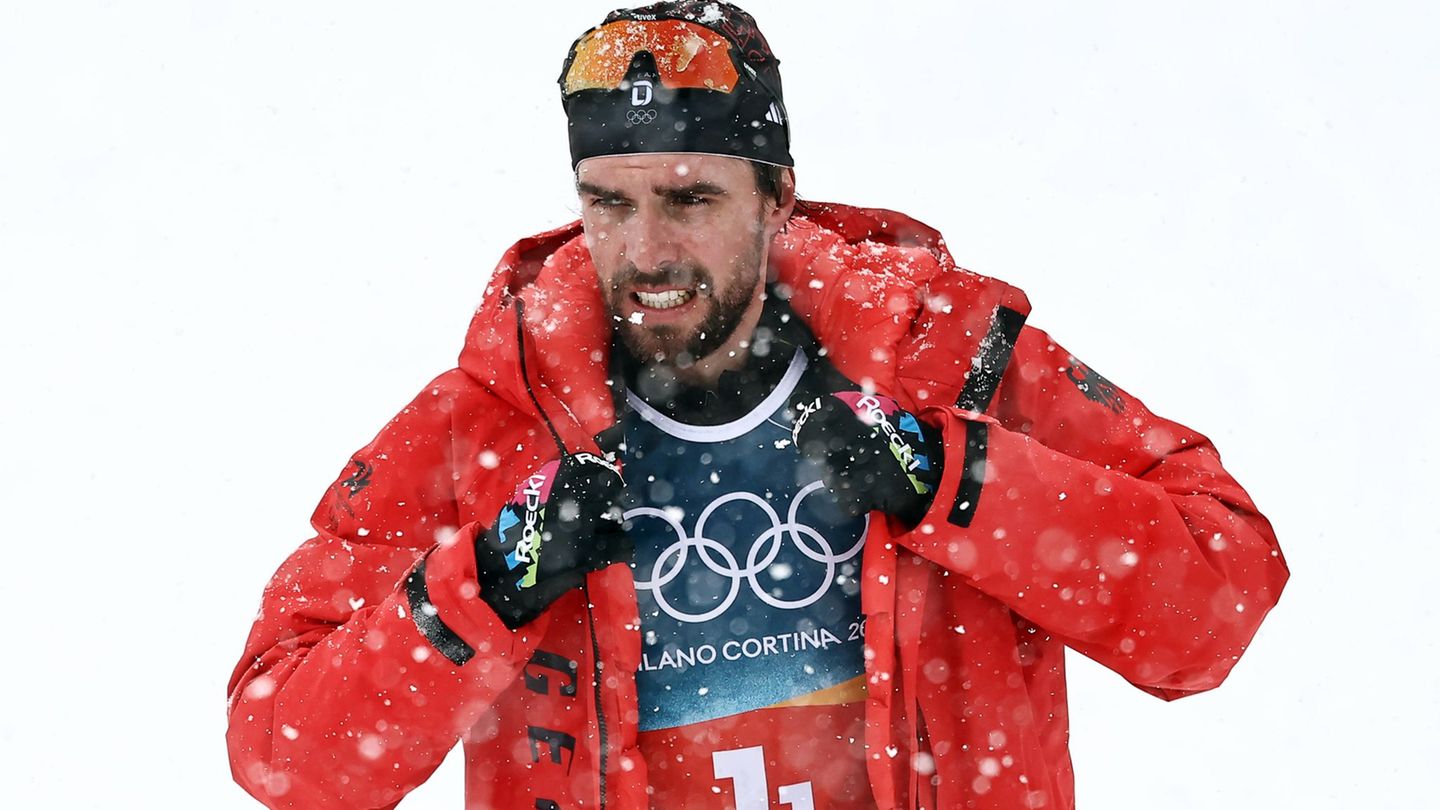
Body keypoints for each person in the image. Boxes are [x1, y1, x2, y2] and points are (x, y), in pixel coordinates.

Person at [226, 3, 1289, 808]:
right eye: (609, 203)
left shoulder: (946, 361)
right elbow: (281, 752)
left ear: (776, 195)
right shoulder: (491, 422)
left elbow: (1221, 592)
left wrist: (958, 479)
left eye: (690, 198)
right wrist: (490, 582)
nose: (646, 251)